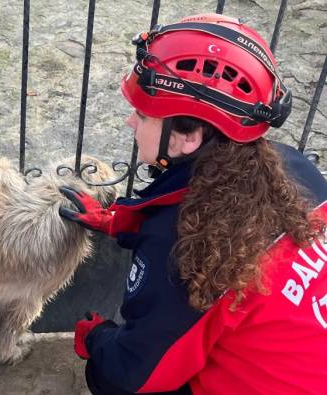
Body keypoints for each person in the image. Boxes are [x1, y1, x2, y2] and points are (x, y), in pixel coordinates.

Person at [60, 13, 327, 395]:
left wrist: (99, 341)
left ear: (188, 136)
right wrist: (121, 220)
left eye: (143, 113)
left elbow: (131, 377)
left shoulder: (186, 253)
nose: (129, 123)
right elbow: (194, 202)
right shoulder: (297, 170)